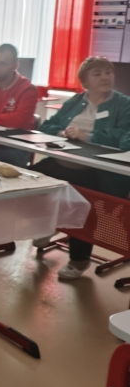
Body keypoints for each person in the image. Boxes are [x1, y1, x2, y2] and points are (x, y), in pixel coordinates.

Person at [31, 57, 130, 280]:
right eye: (97, 73)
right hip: (64, 159)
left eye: (108, 72)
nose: (105, 77)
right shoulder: (76, 101)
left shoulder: (124, 104)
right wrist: (62, 133)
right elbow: (47, 126)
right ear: (85, 82)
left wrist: (89, 136)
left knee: (82, 198)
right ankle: (50, 224)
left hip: (99, 170)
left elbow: (125, 137)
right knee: (33, 177)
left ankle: (79, 258)